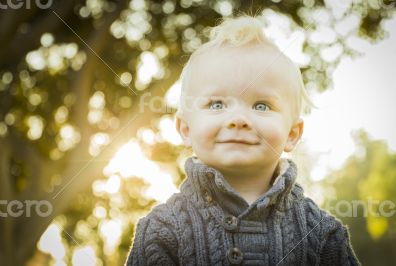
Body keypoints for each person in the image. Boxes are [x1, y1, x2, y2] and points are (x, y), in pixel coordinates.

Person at [125, 15, 360, 266]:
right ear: (185, 128)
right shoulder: (162, 231)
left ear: (292, 134)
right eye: (217, 104)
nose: (238, 119)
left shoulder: (323, 235)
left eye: (261, 105)